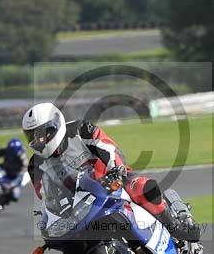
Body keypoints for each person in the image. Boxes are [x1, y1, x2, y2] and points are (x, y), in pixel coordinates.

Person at [21, 102, 201, 242]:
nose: (38, 140)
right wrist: (49, 211)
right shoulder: (35, 164)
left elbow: (108, 147)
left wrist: (116, 168)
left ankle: (176, 225)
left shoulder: (79, 129)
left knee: (142, 187)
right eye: (32, 136)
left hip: (112, 180)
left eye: (41, 134)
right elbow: (44, 194)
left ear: (54, 125)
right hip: (79, 205)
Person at [0, 138, 29, 203]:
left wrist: (20, 173)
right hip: (4, 169)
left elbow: (25, 165)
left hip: (15, 173)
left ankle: (8, 196)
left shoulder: (21, 153)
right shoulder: (6, 149)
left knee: (14, 193)